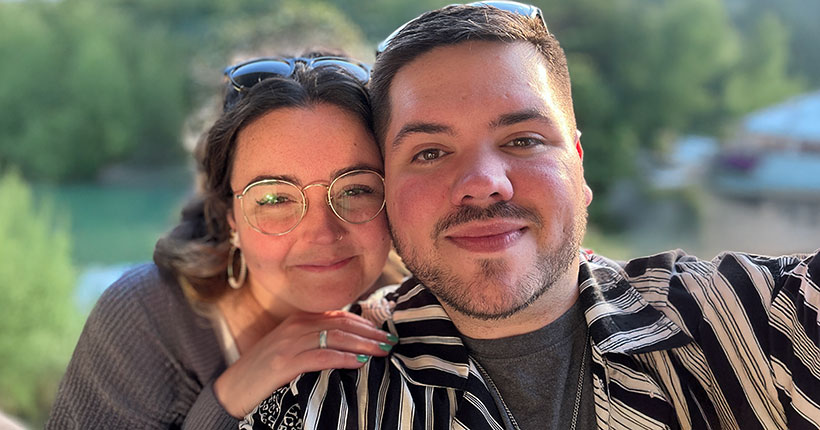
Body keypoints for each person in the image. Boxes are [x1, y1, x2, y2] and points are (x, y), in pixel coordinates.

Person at [243, 3, 820, 429]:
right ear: (388, 190)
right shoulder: (314, 394)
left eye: (522, 140)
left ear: (579, 166)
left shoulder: (759, 317)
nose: (482, 185)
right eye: (430, 152)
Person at [47, 52, 404, 429]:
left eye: (356, 190)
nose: (323, 232)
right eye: (274, 198)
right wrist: (230, 397)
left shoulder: (416, 314)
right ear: (230, 215)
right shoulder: (145, 319)